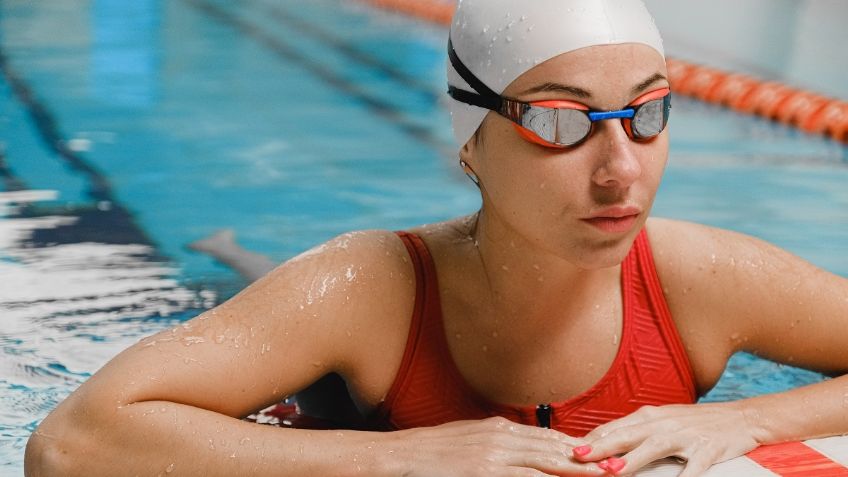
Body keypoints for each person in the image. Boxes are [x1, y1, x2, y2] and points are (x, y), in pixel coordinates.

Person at [25, 0, 848, 475]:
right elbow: (69, 443)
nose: (620, 170)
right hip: (330, 339)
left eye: (648, 113)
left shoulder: (697, 277)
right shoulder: (370, 287)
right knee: (263, 304)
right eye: (559, 122)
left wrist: (747, 421)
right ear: (470, 144)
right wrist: (394, 458)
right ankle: (233, 253)